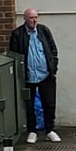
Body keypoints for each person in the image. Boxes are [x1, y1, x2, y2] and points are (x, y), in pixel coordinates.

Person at [9, 8, 60, 143]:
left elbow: (53, 50)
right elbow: (14, 55)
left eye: (36, 17)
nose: (34, 20)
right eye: (31, 18)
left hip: (45, 74)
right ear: (25, 19)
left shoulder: (44, 31)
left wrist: (53, 67)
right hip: (29, 76)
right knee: (29, 104)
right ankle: (32, 131)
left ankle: (50, 130)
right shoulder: (18, 34)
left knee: (49, 103)